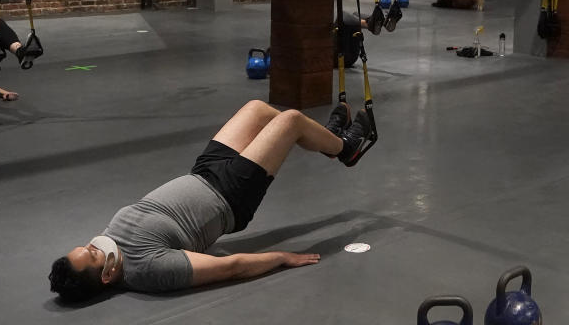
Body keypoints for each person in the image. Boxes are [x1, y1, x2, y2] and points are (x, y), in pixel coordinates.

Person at [48, 99, 374, 301]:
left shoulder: (111, 242)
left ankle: (326, 140)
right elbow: (228, 267)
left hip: (202, 172)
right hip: (230, 196)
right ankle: (346, 149)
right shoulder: (148, 270)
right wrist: (281, 258)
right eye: (92, 254)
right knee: (289, 121)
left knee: (258, 109)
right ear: (106, 275)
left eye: (86, 245)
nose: (95, 244)